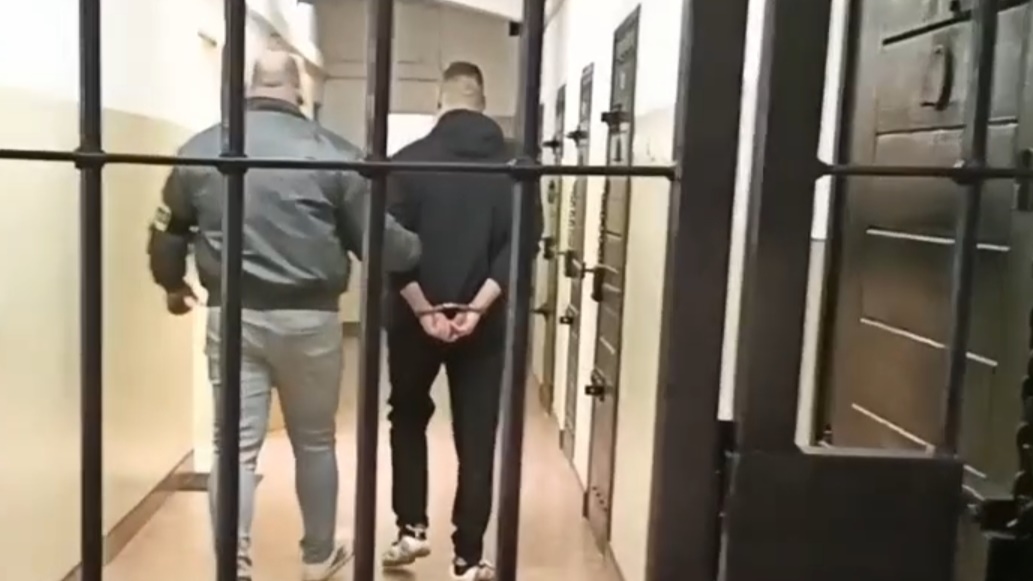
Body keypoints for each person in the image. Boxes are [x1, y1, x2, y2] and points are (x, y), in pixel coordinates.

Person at [146, 49, 422, 581]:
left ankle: (233, 564)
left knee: (233, 448)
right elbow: (382, 245)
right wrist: (419, 248)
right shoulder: (333, 154)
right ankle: (318, 558)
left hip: (233, 318)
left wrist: (173, 284)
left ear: (250, 87)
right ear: (299, 90)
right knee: (314, 443)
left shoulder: (202, 150)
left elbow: (169, 231)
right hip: (310, 321)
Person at [380, 61, 543, 581]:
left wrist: (425, 309)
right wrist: (477, 307)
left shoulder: (405, 162)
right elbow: (521, 244)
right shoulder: (516, 165)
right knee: (477, 433)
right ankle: (468, 556)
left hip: (414, 320)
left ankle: (411, 528)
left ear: (440, 99)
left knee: (408, 417)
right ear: (482, 100)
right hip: (485, 322)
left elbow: (388, 245)